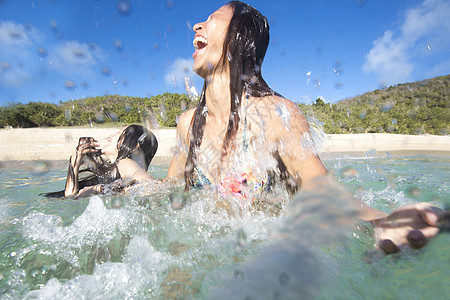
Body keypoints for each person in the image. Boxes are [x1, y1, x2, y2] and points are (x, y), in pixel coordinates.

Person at [43, 124, 158, 198]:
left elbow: (151, 187)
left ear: (134, 146)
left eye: (119, 133)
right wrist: (74, 163)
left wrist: (101, 190)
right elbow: (70, 197)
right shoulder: (114, 172)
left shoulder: (125, 162)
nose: (111, 135)